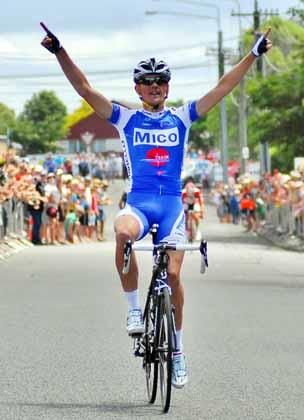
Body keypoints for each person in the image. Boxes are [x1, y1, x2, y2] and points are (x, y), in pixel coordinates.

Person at [40, 23, 272, 388]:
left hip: (172, 208)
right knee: (122, 233)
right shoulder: (125, 118)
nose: (154, 86)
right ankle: (134, 310)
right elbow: (84, 89)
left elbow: (223, 87)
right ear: (137, 88)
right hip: (139, 203)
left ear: (167, 87)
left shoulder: (182, 117)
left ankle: (178, 352)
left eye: (160, 81)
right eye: (147, 81)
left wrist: (253, 55)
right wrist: (59, 52)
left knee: (175, 276)